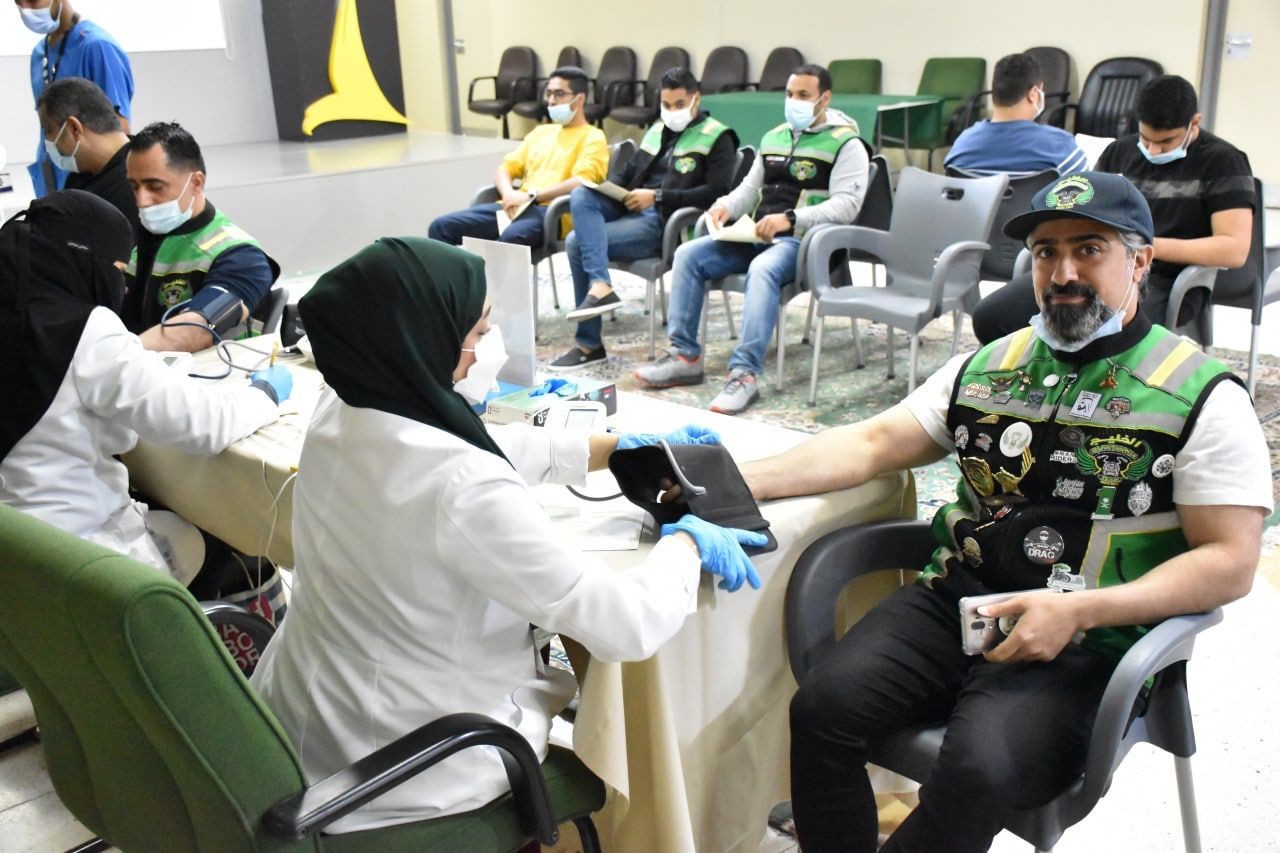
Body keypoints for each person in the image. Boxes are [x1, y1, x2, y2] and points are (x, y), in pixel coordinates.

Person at [741, 172, 1271, 853]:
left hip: (1089, 640)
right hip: (959, 601)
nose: (1063, 273)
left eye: (1089, 249)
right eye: (1047, 252)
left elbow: (1230, 561)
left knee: (976, 771)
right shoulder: (991, 365)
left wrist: (1081, 612)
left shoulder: (1201, 395)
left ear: (1140, 260)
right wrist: (740, 480)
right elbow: (872, 443)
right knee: (821, 710)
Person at [249, 236, 768, 831]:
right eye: (478, 329)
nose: (491, 342)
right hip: (414, 761)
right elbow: (626, 624)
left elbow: (469, 443)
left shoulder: (346, 403)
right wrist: (688, 543)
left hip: (307, 721)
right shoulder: (463, 486)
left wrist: (608, 448)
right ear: (422, 340)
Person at [0, 190, 292, 587]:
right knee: (230, 541)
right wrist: (264, 395)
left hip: (16, 550)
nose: (120, 288)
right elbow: (204, 425)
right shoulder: (83, 330)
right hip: (83, 558)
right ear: (84, 259)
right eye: (117, 270)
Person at [634, 63, 868, 415]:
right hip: (755, 235)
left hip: (803, 243)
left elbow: (847, 205)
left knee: (763, 269)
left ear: (825, 98)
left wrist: (791, 218)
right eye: (789, 94)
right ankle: (685, 357)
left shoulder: (847, 144)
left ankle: (744, 374)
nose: (794, 102)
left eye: (803, 95)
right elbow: (748, 190)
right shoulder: (774, 137)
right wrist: (723, 207)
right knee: (688, 255)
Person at [970, 75, 1255, 343]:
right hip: (1093, 262)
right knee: (991, 318)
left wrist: (1141, 247)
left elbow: (1233, 249)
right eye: (1146, 139)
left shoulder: (1223, 161)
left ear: (1195, 123)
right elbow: (1086, 215)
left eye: (1166, 141)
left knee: (1100, 331)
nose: (1153, 150)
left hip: (1167, 279)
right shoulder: (1120, 152)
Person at [550, 67, 738, 371]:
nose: (672, 111)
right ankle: (600, 284)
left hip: (667, 222)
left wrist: (658, 197)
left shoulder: (718, 136)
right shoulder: (656, 130)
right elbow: (628, 174)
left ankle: (589, 344)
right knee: (582, 194)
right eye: (666, 105)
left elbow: (716, 193)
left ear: (696, 99)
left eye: (680, 104)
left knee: (574, 242)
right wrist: (609, 189)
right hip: (632, 207)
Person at [124, 122, 281, 353]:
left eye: (155, 186)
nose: (141, 201)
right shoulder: (137, 242)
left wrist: (117, 355)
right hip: (142, 371)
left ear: (196, 183)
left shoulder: (241, 256)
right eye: (134, 187)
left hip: (215, 373)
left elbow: (196, 329)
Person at [428, 66, 608, 249]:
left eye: (560, 94)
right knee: (441, 227)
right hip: (514, 207)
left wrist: (532, 196)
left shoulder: (593, 137)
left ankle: (488, 268)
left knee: (509, 240)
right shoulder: (541, 133)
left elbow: (581, 182)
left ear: (580, 99)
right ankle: (463, 270)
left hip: (552, 212)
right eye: (549, 94)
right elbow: (505, 169)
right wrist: (508, 195)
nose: (552, 101)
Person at [17, 0, 133, 197]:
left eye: (33, 0)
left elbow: (118, 131)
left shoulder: (97, 47)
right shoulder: (39, 53)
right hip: (52, 178)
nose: (26, 9)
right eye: (18, 2)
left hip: (91, 186)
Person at [943, 52, 1087, 178]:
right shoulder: (1060, 145)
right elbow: (1084, 193)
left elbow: (952, 194)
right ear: (1033, 94)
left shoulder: (962, 146)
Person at [37, 76, 138, 235]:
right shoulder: (81, 176)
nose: (47, 141)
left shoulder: (136, 185)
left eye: (48, 130)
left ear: (74, 128)